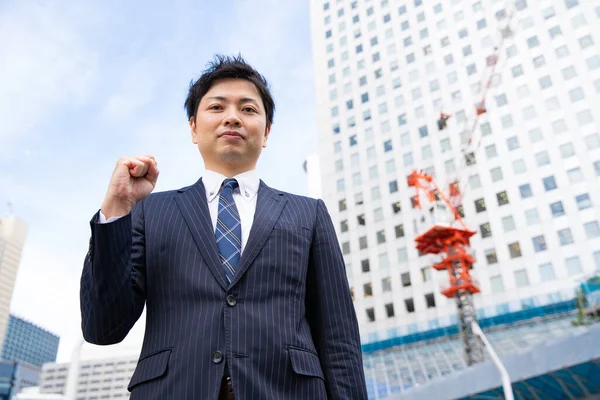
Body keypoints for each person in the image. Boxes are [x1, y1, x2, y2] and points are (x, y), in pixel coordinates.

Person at [80, 55, 368, 400]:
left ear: (266, 133)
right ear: (193, 128)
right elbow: (102, 328)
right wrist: (117, 211)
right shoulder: (150, 211)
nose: (232, 116)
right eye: (217, 107)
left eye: (248, 109)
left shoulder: (309, 214)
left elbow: (339, 338)